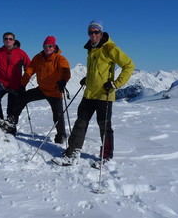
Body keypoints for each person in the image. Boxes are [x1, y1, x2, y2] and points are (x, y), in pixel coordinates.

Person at [53, 20, 135, 167]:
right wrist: (88, 78)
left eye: (96, 32)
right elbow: (97, 70)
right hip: (89, 93)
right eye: (91, 32)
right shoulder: (91, 49)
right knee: (81, 122)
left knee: (104, 126)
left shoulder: (110, 48)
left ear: (101, 33)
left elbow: (129, 65)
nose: (93, 35)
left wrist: (116, 84)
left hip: (104, 94)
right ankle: (72, 152)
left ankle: (106, 157)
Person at [8, 36, 71, 143]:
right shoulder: (38, 58)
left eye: (50, 46)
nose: (48, 48)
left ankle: (61, 135)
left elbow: (66, 71)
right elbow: (29, 71)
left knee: (58, 115)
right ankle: (11, 124)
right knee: (22, 98)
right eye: (45, 46)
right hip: (42, 89)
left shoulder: (60, 59)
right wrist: (22, 84)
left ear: (54, 46)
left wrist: (63, 81)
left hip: (55, 91)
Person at [0, 32, 31, 135]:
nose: (8, 40)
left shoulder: (21, 53)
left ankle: (11, 128)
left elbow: (29, 66)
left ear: (14, 41)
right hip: (1, 81)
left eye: (10, 39)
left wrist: (24, 80)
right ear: (3, 40)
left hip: (15, 84)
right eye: (6, 39)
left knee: (12, 107)